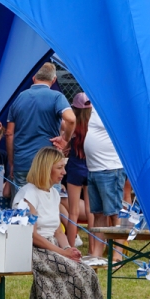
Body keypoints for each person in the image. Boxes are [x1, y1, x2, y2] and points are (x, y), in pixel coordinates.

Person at [13, 147, 106, 299]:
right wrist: (61, 253)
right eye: (60, 168)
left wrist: (67, 249)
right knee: (71, 270)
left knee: (86, 271)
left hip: (52, 246)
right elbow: (32, 236)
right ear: (46, 168)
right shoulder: (27, 195)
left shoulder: (54, 194)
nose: (64, 172)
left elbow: (57, 230)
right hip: (33, 249)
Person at [7, 63, 74, 187]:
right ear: (54, 80)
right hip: (48, 164)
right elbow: (71, 119)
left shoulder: (18, 98)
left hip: (22, 163)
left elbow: (9, 133)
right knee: (48, 203)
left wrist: (12, 163)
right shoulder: (57, 97)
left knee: (23, 203)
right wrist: (65, 139)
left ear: (33, 78)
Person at [83, 108, 127, 261]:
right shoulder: (95, 104)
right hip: (94, 168)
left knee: (115, 213)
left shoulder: (115, 104)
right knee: (98, 213)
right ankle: (97, 254)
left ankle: (117, 255)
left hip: (110, 167)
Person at [63, 93, 92, 252]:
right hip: (90, 168)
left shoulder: (72, 127)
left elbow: (65, 144)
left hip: (74, 169)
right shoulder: (93, 125)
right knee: (91, 211)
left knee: (73, 212)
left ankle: (71, 248)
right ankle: (93, 249)